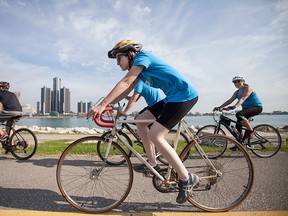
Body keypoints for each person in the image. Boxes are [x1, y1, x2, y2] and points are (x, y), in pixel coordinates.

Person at [87, 39, 199, 204]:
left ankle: (186, 178)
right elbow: (127, 88)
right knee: (140, 120)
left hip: (184, 96)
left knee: (156, 135)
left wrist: (103, 104)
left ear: (130, 53)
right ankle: (153, 162)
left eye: (119, 58)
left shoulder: (143, 57)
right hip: (172, 98)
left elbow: (125, 82)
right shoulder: (140, 72)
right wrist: (107, 105)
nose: (117, 63)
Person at [213, 76, 263, 143]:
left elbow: (243, 98)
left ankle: (251, 131)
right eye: (234, 82)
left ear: (243, 81)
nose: (236, 83)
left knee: (239, 114)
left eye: (238, 81)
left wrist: (234, 106)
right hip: (246, 109)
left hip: (256, 107)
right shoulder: (236, 92)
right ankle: (241, 143)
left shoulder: (248, 88)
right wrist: (220, 107)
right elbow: (229, 101)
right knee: (238, 126)